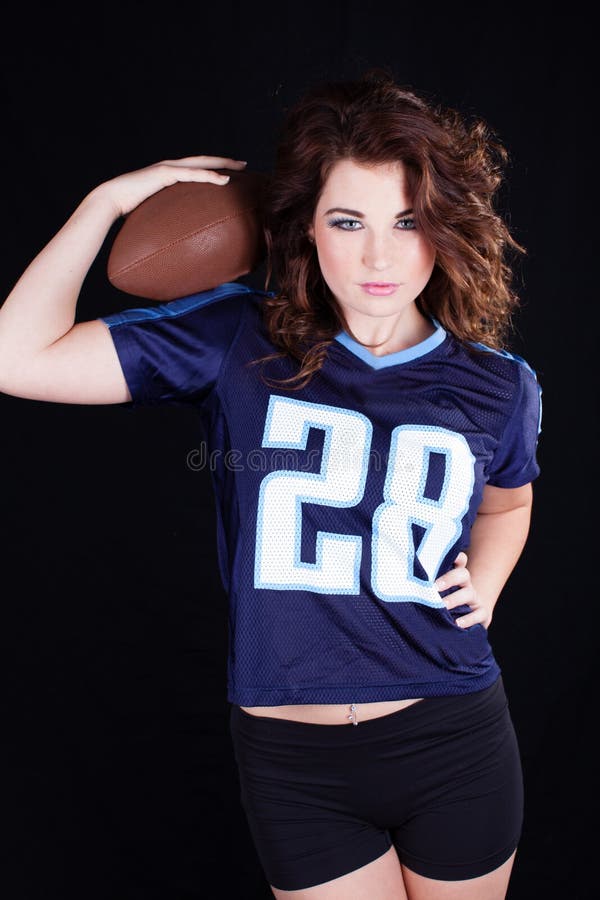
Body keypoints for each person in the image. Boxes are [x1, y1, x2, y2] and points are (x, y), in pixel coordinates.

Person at [0, 68, 541, 899]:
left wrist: (490, 579)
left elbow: (508, 498)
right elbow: (14, 357)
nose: (377, 254)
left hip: (450, 735)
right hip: (296, 760)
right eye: (347, 220)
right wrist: (106, 204)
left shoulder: (499, 383)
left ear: (443, 227)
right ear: (305, 229)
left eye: (407, 220)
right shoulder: (235, 341)